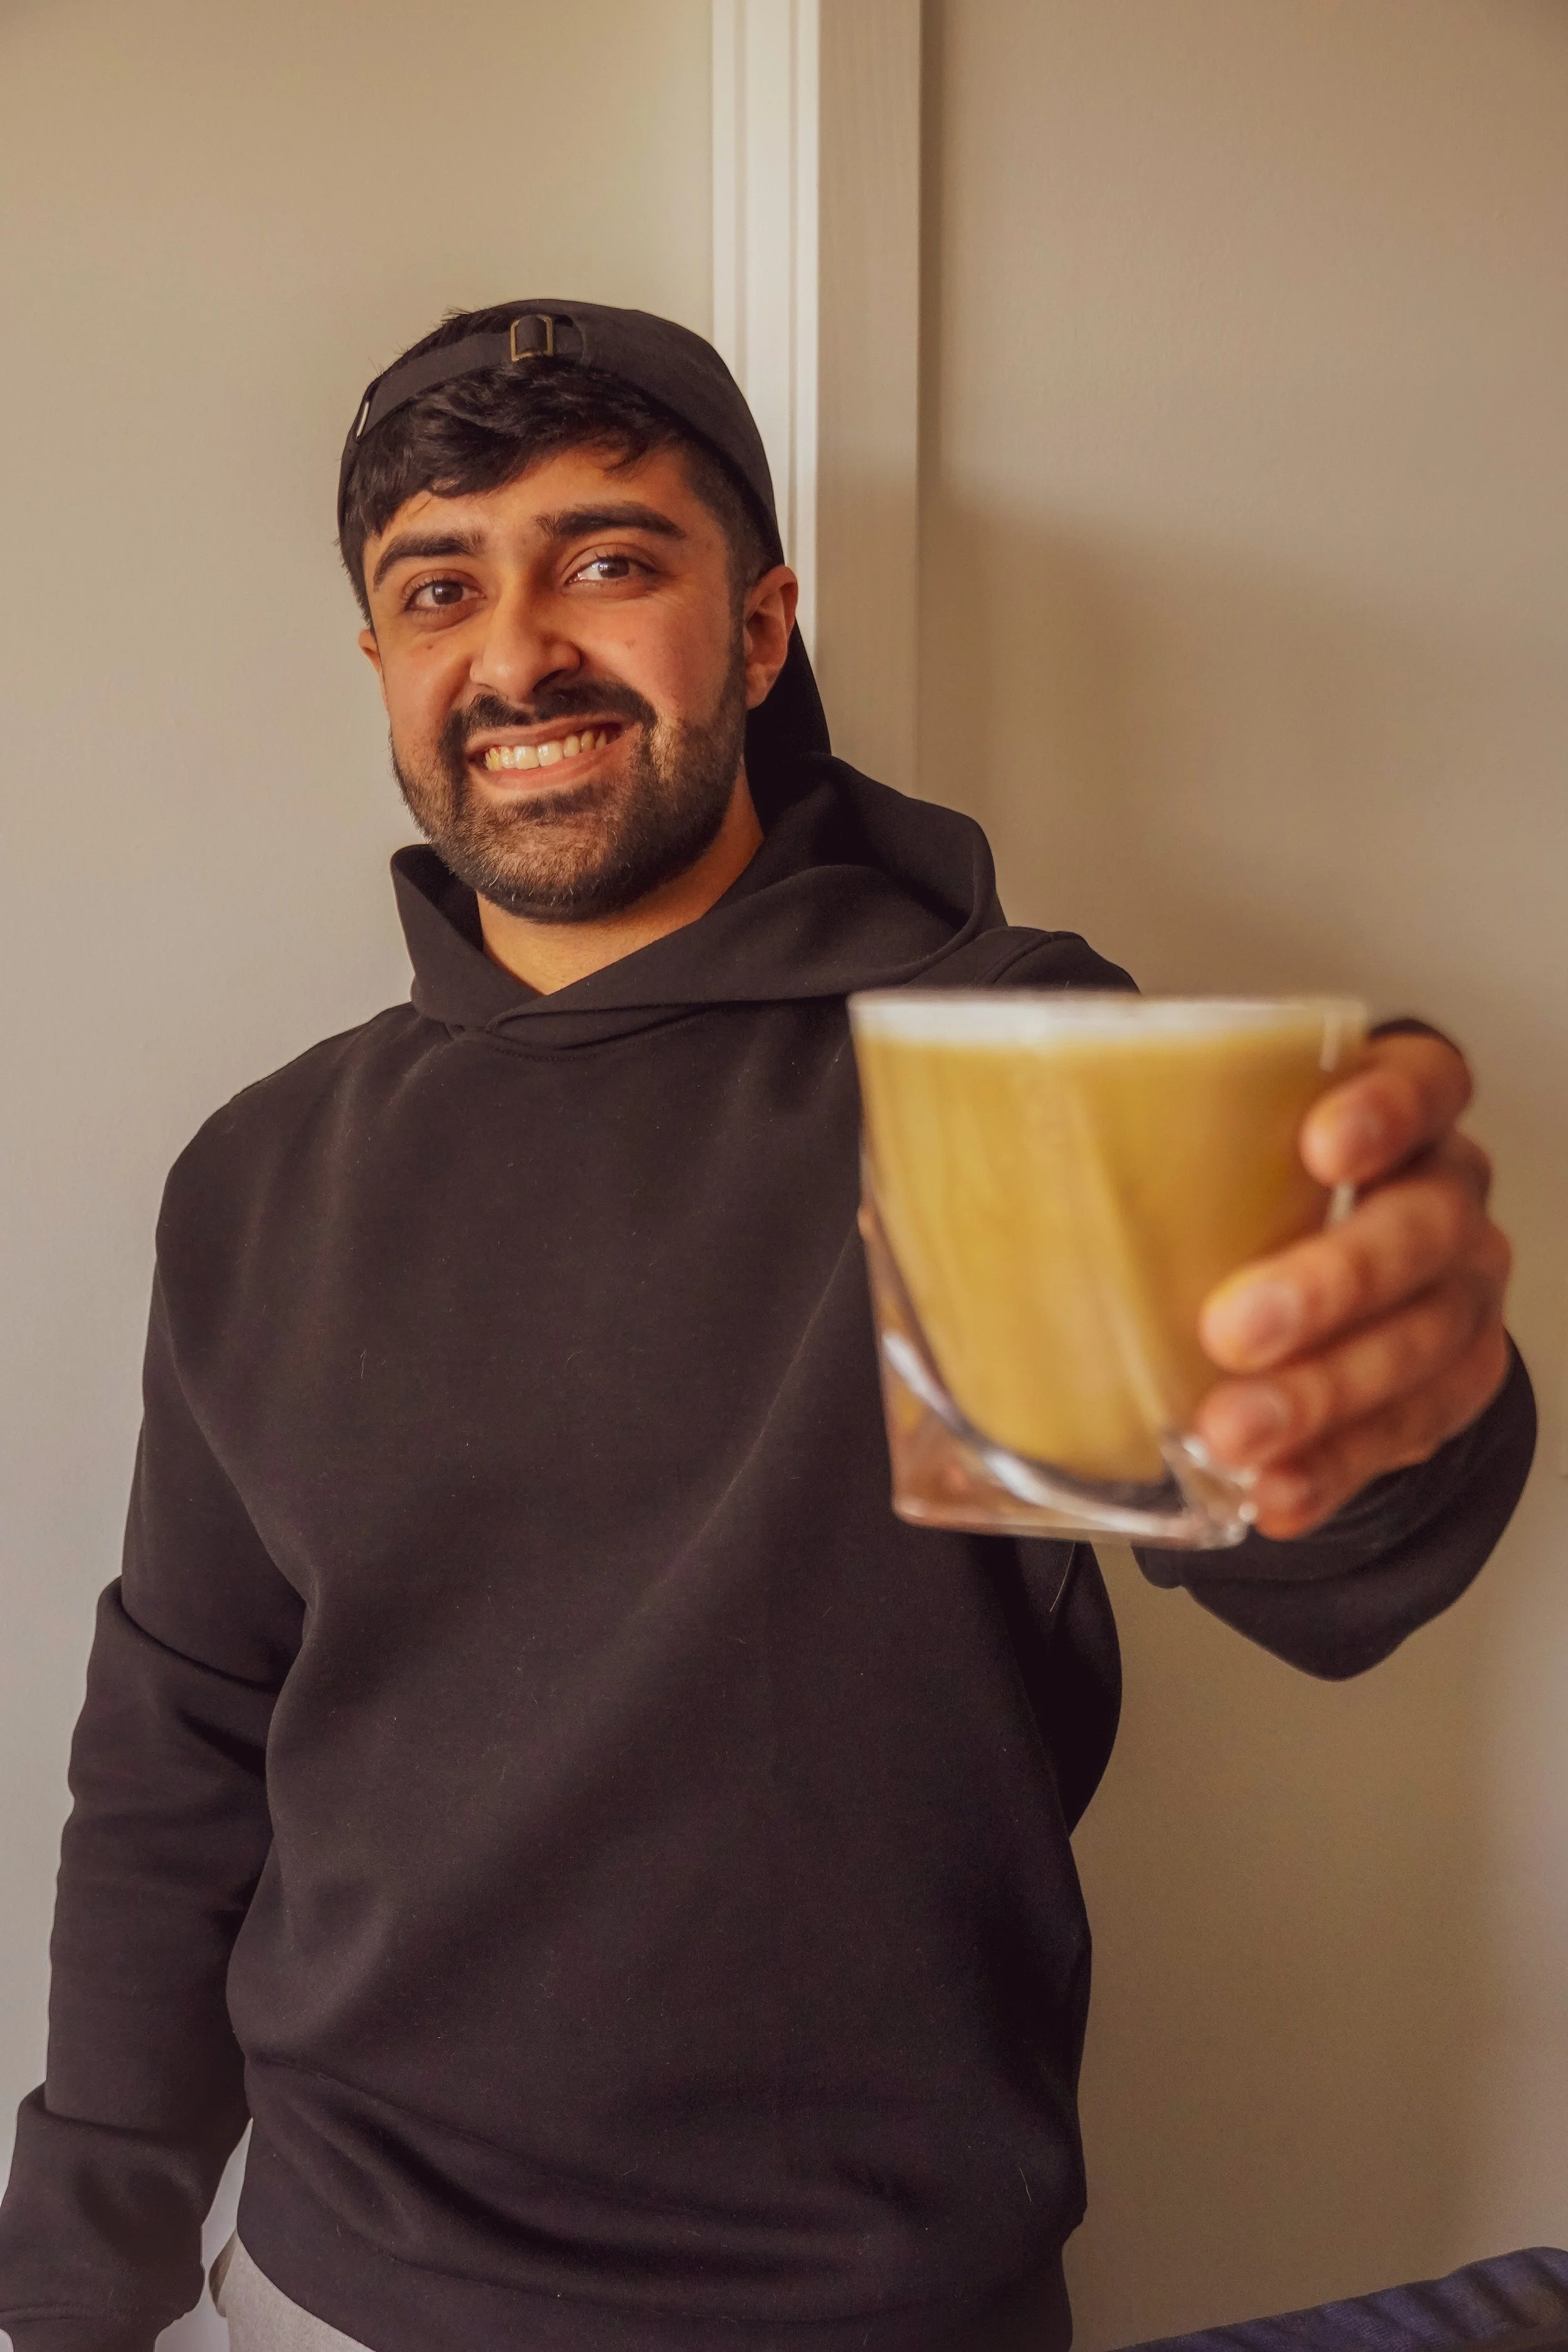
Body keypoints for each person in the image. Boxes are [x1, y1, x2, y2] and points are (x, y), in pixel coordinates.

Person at [0, 300, 1534, 2352]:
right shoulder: (264, 1168)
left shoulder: (996, 1063)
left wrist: (1388, 1428)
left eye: (605, 559)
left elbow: (1307, 1538)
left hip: (865, 2312)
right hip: (320, 2290)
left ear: (756, 628)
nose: (517, 652)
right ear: (383, 664)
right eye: (440, 588)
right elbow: (179, 1751)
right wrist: (70, 2287)